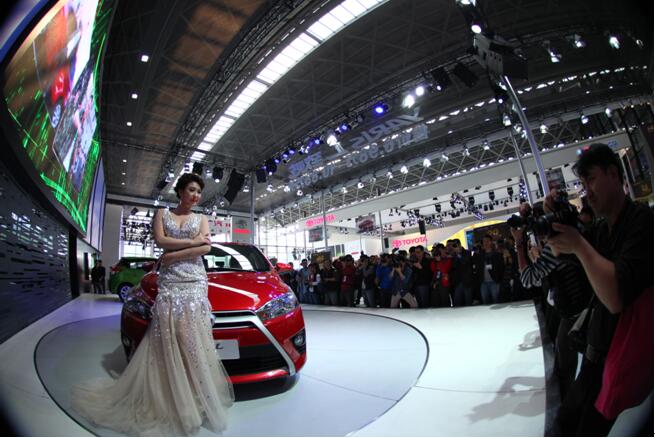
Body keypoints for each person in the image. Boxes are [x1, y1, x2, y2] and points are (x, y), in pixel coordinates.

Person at [71, 173, 233, 435]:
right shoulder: (162, 214)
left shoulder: (201, 218)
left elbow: (205, 249)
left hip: (194, 281)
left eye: (198, 192)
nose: (196, 196)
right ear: (180, 191)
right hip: (170, 283)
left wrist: (173, 255)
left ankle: (195, 396)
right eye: (191, 190)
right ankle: (169, 397)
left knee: (192, 338)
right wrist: (191, 242)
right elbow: (161, 241)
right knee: (168, 336)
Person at [548, 144, 653, 436]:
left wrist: (579, 246)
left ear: (614, 174)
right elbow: (563, 254)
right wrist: (555, 224)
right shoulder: (603, 229)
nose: (588, 193)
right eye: (583, 184)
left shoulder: (643, 222)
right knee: (565, 426)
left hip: (623, 359)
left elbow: (615, 297)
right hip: (597, 355)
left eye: (591, 180)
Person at [475, 235, 504, 304]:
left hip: (494, 282)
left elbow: (501, 268)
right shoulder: (480, 255)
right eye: (484, 241)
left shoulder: (497, 254)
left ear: (491, 242)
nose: (485, 243)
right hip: (483, 283)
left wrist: (499, 279)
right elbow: (477, 268)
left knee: (496, 301)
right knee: (485, 302)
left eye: (487, 241)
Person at [450, 239, 473, 306]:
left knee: (468, 303)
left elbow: (465, 262)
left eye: (456, 245)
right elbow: (453, 266)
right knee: (457, 303)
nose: (455, 246)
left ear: (460, 244)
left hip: (467, 282)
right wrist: (456, 255)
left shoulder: (468, 252)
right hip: (457, 282)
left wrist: (459, 254)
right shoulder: (453, 255)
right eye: (454, 245)